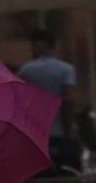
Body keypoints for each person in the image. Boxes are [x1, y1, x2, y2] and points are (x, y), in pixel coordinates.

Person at [17, 28, 80, 168]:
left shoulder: (25, 71)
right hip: (59, 132)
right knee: (62, 172)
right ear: (53, 46)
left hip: (34, 134)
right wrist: (69, 129)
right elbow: (68, 100)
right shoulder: (66, 69)